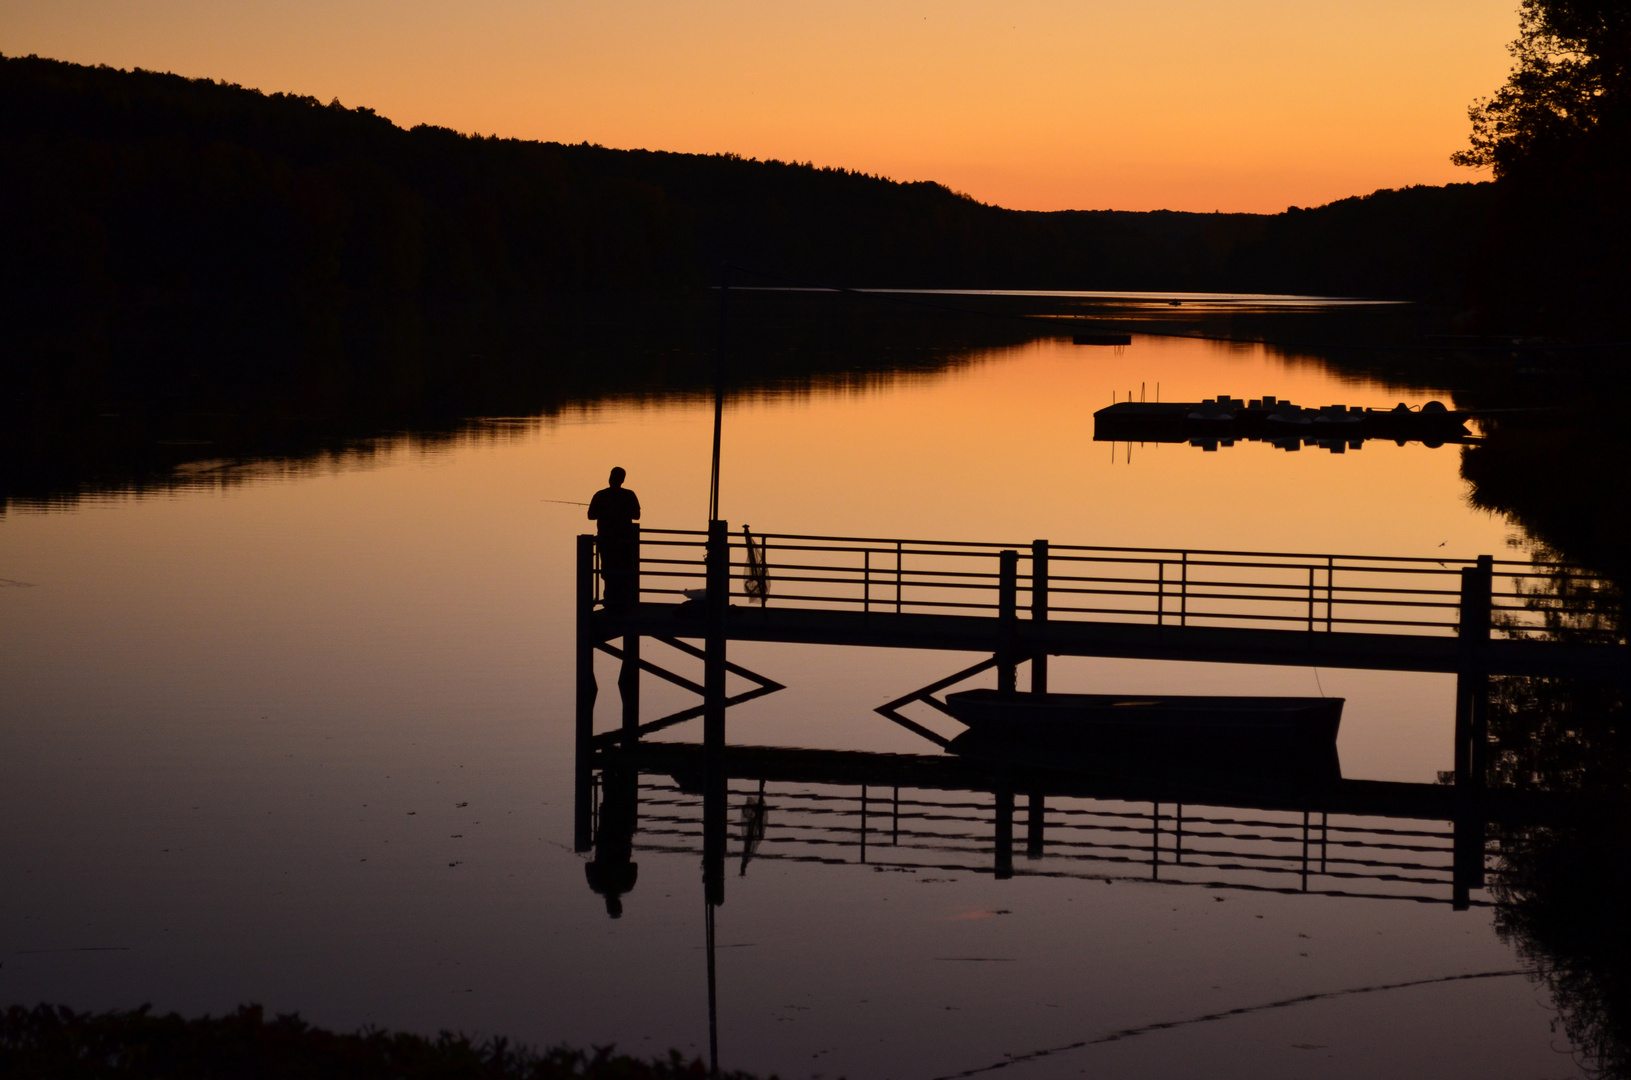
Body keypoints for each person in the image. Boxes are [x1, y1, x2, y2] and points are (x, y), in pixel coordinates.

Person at [588, 467, 641, 607]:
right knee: (623, 569)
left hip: (606, 540)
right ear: (623, 480)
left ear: (610, 478)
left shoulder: (600, 495)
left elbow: (590, 515)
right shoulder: (629, 495)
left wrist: (605, 511)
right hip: (624, 541)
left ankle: (610, 601)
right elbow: (636, 515)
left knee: (608, 570)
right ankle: (622, 601)